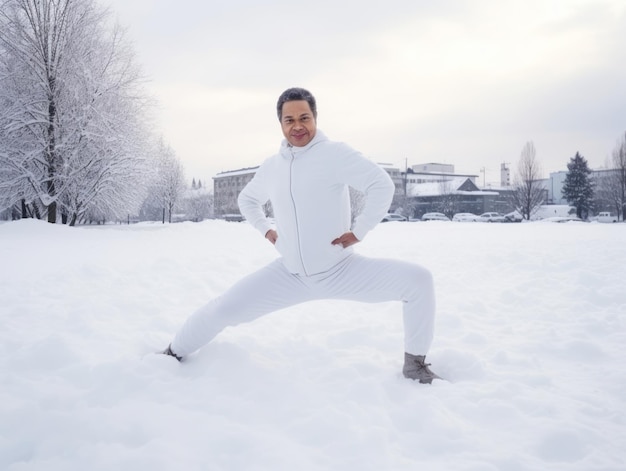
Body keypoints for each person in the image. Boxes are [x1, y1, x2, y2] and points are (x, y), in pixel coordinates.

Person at [163, 87, 441, 383]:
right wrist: (267, 230)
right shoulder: (272, 167)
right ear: (281, 124)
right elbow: (248, 199)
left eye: (304, 117)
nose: (297, 126)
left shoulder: (334, 154)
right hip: (290, 274)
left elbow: (381, 184)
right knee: (224, 309)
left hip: (340, 270)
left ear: (315, 117)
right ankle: (171, 354)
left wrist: (359, 231)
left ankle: (415, 365)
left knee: (418, 281)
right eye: (289, 120)